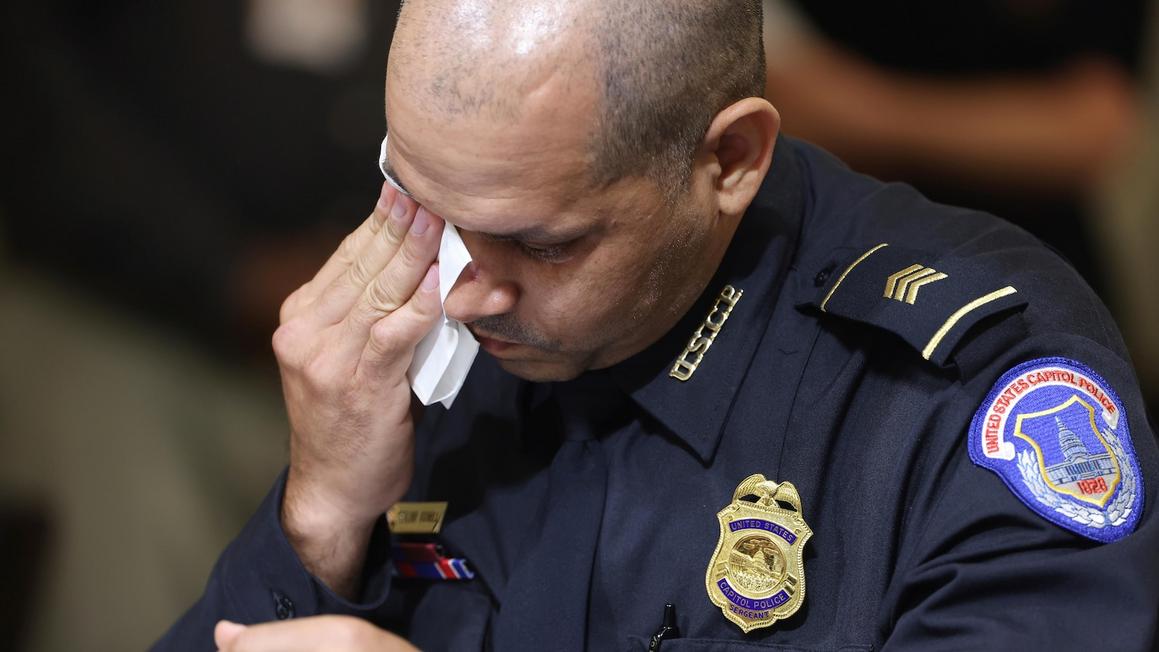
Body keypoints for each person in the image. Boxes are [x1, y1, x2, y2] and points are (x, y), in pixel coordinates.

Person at [156, 0, 1159, 649]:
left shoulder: (965, 394)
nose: (458, 293)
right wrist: (322, 517)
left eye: (541, 244)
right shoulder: (418, 340)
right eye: (419, 206)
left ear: (729, 160)